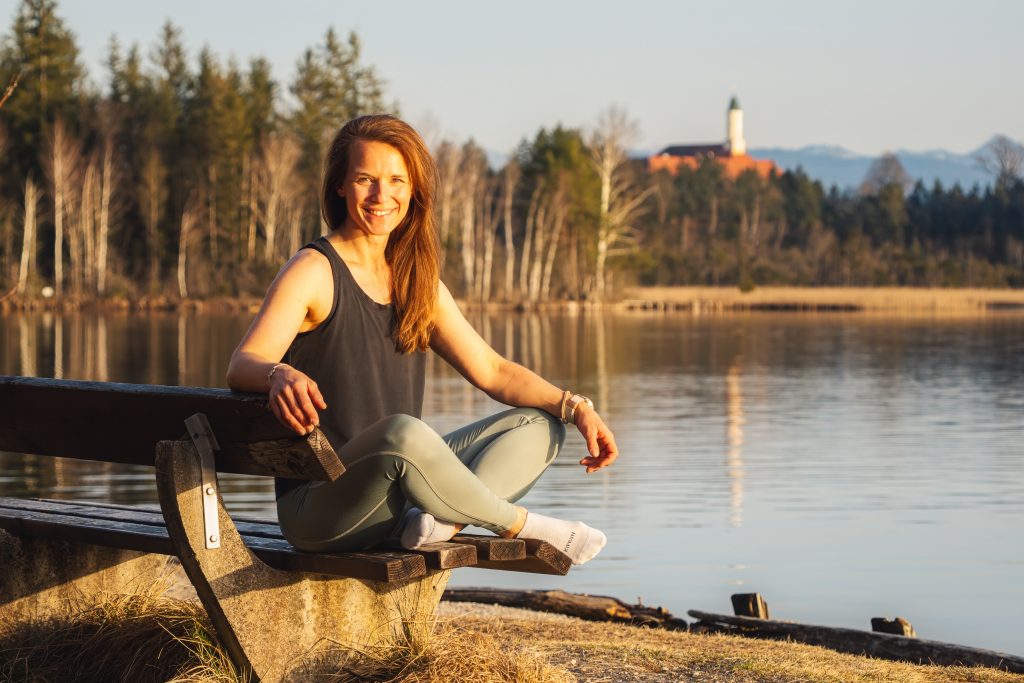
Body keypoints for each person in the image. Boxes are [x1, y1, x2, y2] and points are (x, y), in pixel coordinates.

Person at [226, 114, 618, 565]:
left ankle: (438, 524)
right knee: (404, 432)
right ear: (340, 186)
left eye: (396, 180)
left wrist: (577, 408)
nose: (381, 195)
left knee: (541, 425)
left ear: (413, 190)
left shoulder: (417, 282)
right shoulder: (313, 271)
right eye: (365, 179)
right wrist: (279, 372)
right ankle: (526, 526)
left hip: (398, 494)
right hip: (322, 505)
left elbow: (492, 370)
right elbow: (243, 363)